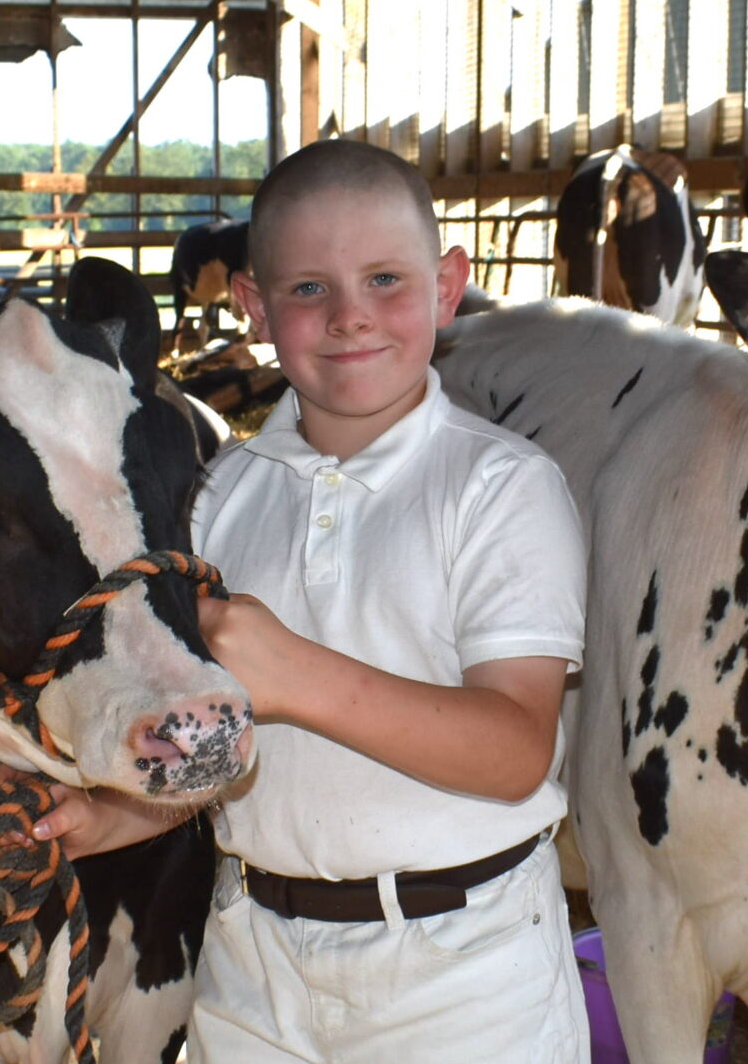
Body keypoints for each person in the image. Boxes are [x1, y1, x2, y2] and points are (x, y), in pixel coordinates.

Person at [29, 139, 590, 1062]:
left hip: (465, 972)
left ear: (449, 286)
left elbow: (516, 750)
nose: (349, 318)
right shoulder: (218, 499)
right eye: (307, 290)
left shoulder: (501, 487)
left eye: (384, 279)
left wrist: (293, 676)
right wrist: (111, 816)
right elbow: (221, 757)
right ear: (253, 306)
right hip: (255, 963)